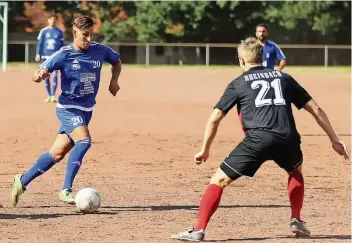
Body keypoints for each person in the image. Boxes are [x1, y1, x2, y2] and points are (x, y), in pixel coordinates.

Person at [171, 37, 349, 241]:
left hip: (258, 140)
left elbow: (215, 118)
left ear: (242, 61)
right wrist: (334, 139)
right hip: (287, 138)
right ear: (263, 58)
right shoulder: (284, 78)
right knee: (295, 170)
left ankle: (199, 229)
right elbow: (316, 109)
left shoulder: (237, 83)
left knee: (218, 181)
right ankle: (297, 219)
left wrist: (205, 149)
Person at [11, 15, 122, 206]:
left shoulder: (99, 50)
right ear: (75, 33)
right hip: (68, 108)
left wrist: (113, 81)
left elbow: (116, 60)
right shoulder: (64, 54)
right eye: (84, 35)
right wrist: (40, 76)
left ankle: (21, 181)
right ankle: (66, 189)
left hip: (86, 110)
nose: (88, 39)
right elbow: (36, 74)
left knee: (57, 153)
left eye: (91, 35)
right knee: (84, 141)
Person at [35, 14, 65, 103]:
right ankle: (48, 95)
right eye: (51, 20)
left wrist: (63, 54)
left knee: (55, 76)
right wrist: (37, 54)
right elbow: (40, 44)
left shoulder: (59, 31)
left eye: (54, 20)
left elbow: (62, 45)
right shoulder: (44, 31)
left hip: (55, 57)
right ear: (48, 20)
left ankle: (53, 95)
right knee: (45, 76)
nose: (52, 21)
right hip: (45, 58)